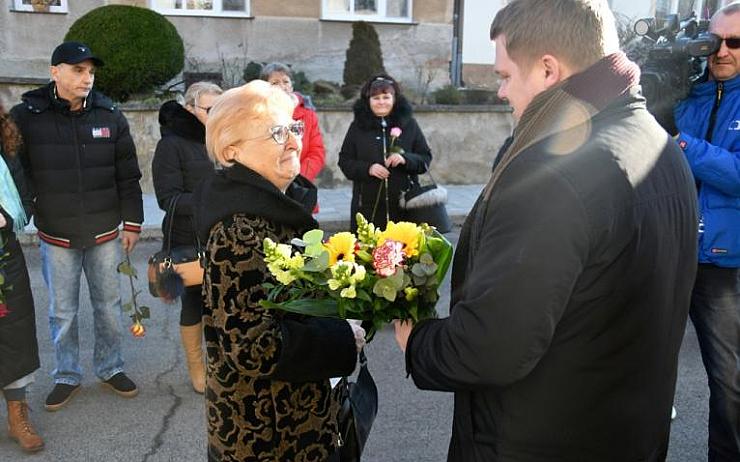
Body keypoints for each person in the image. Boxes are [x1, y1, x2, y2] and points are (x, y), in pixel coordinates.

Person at [394, 1, 699, 460]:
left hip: (538, 438)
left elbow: (492, 347)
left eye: (504, 76)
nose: (500, 92)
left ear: (548, 70)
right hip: (627, 433)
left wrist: (417, 341)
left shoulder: (551, 173)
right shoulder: (657, 140)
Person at [194, 80, 364, 461]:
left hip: (293, 416)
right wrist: (341, 338)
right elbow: (254, 347)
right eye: (276, 132)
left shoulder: (274, 208)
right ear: (231, 150)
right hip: (267, 433)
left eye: (293, 128)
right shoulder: (238, 229)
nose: (292, 142)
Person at [10, 41, 144, 411]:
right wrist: (26, 209)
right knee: (62, 313)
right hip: (56, 234)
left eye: (90, 72)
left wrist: (132, 223)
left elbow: (128, 176)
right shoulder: (27, 116)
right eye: (78, 70)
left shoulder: (110, 115)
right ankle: (66, 375)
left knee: (109, 308)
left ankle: (110, 367)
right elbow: (15, 169)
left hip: (104, 232)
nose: (87, 78)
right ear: (56, 72)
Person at [674, 3, 740, 460]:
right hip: (669, 252)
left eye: (734, 42)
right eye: (713, 40)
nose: (720, 51)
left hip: (723, 264)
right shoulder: (685, 93)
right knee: (640, 366)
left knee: (730, 381)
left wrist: (683, 145)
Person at [152, 81, 222, 394]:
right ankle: (197, 368)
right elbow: (167, 198)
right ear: (190, 109)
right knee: (194, 302)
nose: (215, 114)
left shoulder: (223, 137)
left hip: (225, 232)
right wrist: (209, 201)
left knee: (224, 300)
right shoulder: (171, 144)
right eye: (209, 109)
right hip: (189, 236)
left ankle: (222, 362)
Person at [0, 102, 43, 452]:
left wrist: (7, 215)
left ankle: (17, 417)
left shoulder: (7, 148)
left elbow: (26, 201)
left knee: (14, 333)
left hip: (4, 255)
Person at [338, 74, 432, 231]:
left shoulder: (409, 125)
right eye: (376, 98)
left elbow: (425, 158)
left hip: (404, 208)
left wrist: (405, 159)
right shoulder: (357, 127)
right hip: (368, 208)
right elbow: (345, 161)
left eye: (386, 97)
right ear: (368, 101)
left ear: (394, 99)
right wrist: (368, 168)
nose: (381, 102)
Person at [261, 63, 326, 184]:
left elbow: (316, 151)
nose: (282, 86)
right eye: (275, 83)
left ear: (291, 86)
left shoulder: (308, 115)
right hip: (269, 184)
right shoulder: (258, 116)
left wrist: (299, 178)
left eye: (286, 82)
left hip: (300, 184)